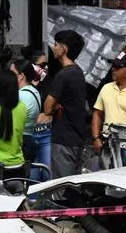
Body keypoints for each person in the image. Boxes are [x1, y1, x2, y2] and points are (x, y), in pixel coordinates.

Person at [37, 30, 89, 178]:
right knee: (73, 186)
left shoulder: (63, 75)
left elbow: (47, 108)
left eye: (56, 44)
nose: (53, 48)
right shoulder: (78, 72)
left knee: (61, 188)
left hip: (63, 140)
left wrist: (54, 105)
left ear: (64, 49)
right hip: (76, 138)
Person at [12, 59, 51, 177]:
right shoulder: (34, 91)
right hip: (30, 138)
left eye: (12, 73)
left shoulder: (21, 95)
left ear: (21, 76)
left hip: (22, 141)